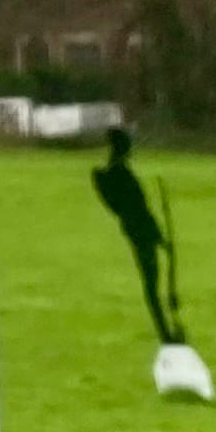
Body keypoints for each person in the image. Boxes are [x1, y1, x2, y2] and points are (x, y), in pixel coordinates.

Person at [91, 125, 179, 345]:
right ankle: (165, 333)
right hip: (141, 234)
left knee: (152, 285)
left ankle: (166, 330)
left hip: (136, 231)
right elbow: (139, 211)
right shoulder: (122, 176)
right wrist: (159, 239)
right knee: (152, 285)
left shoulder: (111, 174)